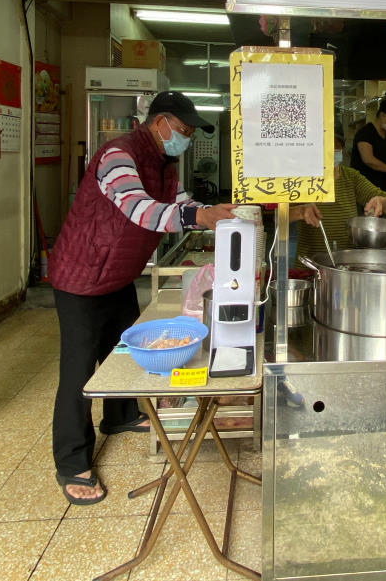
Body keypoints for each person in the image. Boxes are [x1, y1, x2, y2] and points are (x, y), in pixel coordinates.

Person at [49, 91, 236, 505]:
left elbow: (179, 203)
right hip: (82, 273)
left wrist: (212, 211)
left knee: (121, 350)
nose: (185, 139)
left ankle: (119, 417)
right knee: (79, 370)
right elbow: (137, 208)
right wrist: (196, 217)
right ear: (160, 122)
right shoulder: (118, 154)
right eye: (183, 131)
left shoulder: (165, 162)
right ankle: (71, 460)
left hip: (118, 273)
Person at [291, 125, 386, 267]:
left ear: (342, 147)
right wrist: (301, 211)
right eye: (324, 145)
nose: (330, 151)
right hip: (310, 268)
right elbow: (279, 216)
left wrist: (382, 202)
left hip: (346, 269)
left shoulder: (351, 177)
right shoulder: (302, 178)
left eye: (335, 146)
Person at [349, 98, 386, 193]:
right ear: (382, 114)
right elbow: (368, 160)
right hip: (364, 191)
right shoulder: (365, 133)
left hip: (383, 192)